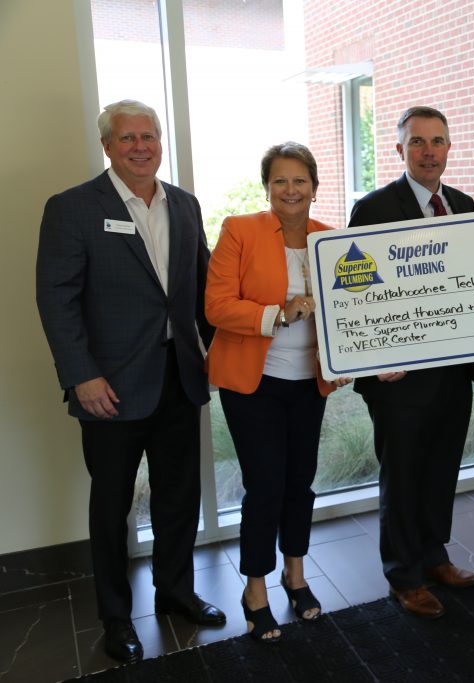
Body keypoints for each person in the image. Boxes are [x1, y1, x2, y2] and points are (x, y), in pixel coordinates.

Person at [35, 99, 225, 664]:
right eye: (128, 138)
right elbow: (56, 299)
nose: (141, 146)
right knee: (111, 506)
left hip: (179, 378)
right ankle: (116, 616)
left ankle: (174, 592)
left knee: (178, 497)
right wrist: (81, 376)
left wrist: (235, 346)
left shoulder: (185, 206)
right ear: (108, 146)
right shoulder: (73, 208)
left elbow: (202, 293)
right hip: (109, 389)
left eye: (150, 135)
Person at [206, 142, 347, 642]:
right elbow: (217, 306)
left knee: (300, 483)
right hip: (254, 384)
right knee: (265, 486)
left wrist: (347, 354)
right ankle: (256, 587)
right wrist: (278, 312)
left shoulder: (330, 240)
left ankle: (296, 574)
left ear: (314, 185)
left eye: (299, 180)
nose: (291, 190)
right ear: (267, 187)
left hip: (309, 383)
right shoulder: (238, 230)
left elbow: (348, 310)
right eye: (280, 181)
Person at [348, 106, 474, 619]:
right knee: (402, 477)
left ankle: (433, 556)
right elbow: (356, 293)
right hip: (398, 378)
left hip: (453, 371)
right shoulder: (374, 208)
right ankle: (402, 575)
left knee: (441, 469)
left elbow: (473, 279)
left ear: (449, 148)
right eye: (418, 142)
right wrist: (375, 357)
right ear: (399, 150)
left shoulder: (464, 205)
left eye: (438, 141)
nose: (429, 151)